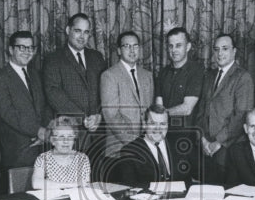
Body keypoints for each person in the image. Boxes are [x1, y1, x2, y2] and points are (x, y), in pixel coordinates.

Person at [42, 13, 106, 156]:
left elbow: (106, 91)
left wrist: (99, 115)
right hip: (70, 136)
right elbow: (54, 95)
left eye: (86, 32)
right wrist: (83, 118)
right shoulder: (53, 59)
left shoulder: (97, 57)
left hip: (98, 136)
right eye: (78, 31)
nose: (82, 36)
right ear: (68, 30)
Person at [195, 33, 254, 183]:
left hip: (229, 149)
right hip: (206, 149)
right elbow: (201, 110)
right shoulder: (209, 76)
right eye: (216, 49)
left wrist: (218, 142)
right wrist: (203, 140)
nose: (220, 53)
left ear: (234, 51)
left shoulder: (243, 77)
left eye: (225, 48)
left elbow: (241, 116)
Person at [0, 30, 52, 170]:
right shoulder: (0, 77)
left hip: (41, 146)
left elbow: (46, 105)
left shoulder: (35, 74)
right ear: (11, 50)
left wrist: (45, 131)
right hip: (18, 150)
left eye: (30, 48)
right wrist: (37, 130)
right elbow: (7, 113)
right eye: (22, 48)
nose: (27, 52)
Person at [155, 26, 203, 175]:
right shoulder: (163, 72)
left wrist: (162, 115)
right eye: (170, 46)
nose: (174, 50)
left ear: (188, 47)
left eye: (178, 45)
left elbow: (187, 108)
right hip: (163, 137)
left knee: (183, 180)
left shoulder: (196, 70)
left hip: (186, 139)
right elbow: (158, 105)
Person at [100, 30, 155, 158]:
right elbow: (111, 115)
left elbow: (149, 112)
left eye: (135, 46)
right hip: (120, 149)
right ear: (119, 50)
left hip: (146, 148)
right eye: (127, 46)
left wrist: (148, 143)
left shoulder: (147, 75)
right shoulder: (109, 75)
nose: (132, 50)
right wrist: (136, 144)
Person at [114, 104, 192, 188]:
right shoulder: (130, 151)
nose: (158, 128)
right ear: (144, 124)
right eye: (153, 123)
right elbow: (129, 187)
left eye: (162, 124)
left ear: (168, 125)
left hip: (181, 196)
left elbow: (194, 176)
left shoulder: (180, 145)